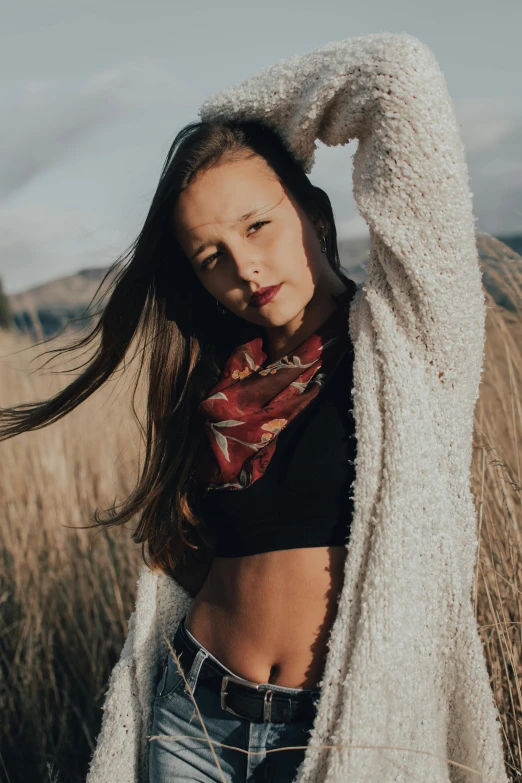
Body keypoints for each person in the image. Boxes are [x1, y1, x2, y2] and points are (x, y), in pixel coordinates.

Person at [0, 32, 509, 783]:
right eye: (212, 257)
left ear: (312, 208)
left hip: (339, 727)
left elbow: (398, 78)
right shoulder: (215, 387)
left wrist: (231, 122)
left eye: (258, 225)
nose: (246, 267)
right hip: (193, 719)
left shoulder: (410, 339)